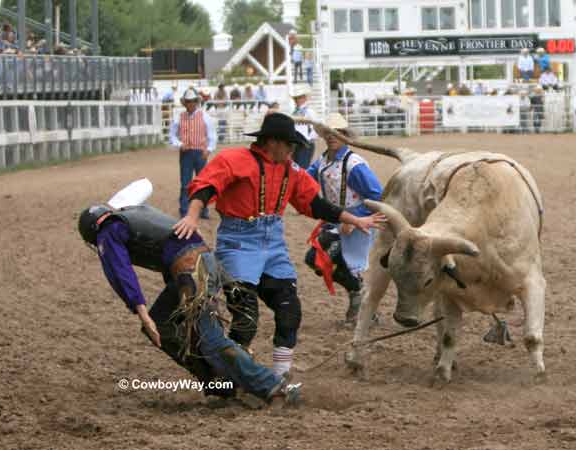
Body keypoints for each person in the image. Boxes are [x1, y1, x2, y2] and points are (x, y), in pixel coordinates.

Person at [172, 113, 386, 378]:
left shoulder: (291, 170)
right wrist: (192, 216)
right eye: (289, 144)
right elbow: (206, 187)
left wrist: (353, 218)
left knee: (290, 312)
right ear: (272, 142)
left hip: (273, 245)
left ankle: (281, 376)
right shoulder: (233, 160)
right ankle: (235, 375)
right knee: (246, 320)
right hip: (238, 243)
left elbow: (314, 203)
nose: (293, 150)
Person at [77, 180, 301, 405]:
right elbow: (145, 188)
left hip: (192, 270)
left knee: (208, 337)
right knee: (164, 325)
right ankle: (220, 384)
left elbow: (120, 271)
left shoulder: (107, 231)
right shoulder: (128, 214)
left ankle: (272, 386)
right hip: (199, 264)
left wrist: (141, 312)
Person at [305, 113, 384, 324]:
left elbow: (377, 195)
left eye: (338, 132)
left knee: (326, 259)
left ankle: (361, 300)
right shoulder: (322, 161)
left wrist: (354, 219)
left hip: (357, 222)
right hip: (338, 220)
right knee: (315, 259)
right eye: (329, 132)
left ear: (346, 135)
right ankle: (358, 295)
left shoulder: (354, 164)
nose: (332, 136)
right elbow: (303, 178)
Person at [169, 89, 216, 218]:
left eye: (193, 101)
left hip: (200, 152)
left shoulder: (204, 116)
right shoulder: (179, 117)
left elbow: (212, 135)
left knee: (203, 182)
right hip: (186, 152)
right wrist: (179, 144)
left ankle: (203, 210)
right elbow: (172, 136)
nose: (191, 104)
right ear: (185, 103)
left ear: (196, 102)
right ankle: (184, 210)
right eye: (188, 101)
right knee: (185, 183)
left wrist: (209, 149)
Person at [291, 84, 318, 169]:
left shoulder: (309, 112)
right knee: (296, 167)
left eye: (299, 97)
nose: (297, 100)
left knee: (301, 168)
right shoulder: (294, 112)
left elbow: (316, 127)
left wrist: (309, 139)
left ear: (304, 98)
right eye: (296, 98)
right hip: (296, 143)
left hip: (305, 143)